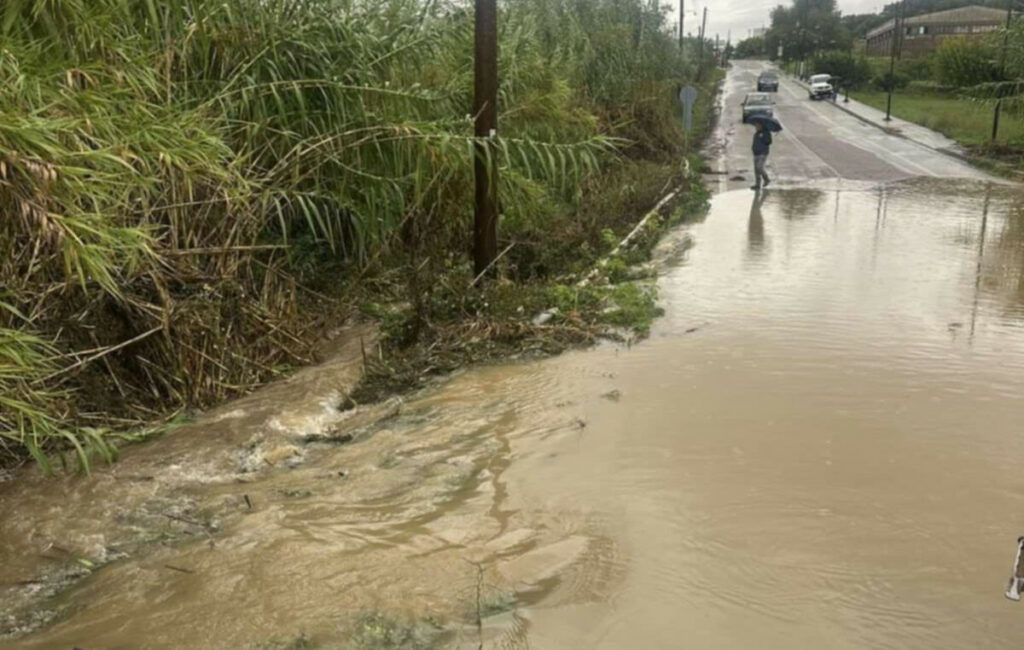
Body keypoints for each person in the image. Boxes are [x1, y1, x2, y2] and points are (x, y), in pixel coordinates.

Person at [751, 121, 772, 191]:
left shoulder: (766, 133)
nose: (756, 127)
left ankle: (766, 179)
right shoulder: (756, 134)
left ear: (761, 126)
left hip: (763, 153)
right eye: (756, 126)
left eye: (758, 126)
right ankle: (757, 185)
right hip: (756, 153)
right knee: (756, 170)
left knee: (759, 167)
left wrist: (763, 136)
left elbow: (769, 142)